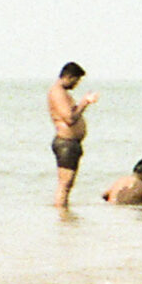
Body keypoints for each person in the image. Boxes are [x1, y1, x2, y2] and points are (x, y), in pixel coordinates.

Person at [49, 63, 97, 208]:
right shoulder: (57, 92)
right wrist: (84, 102)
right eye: (76, 80)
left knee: (68, 184)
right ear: (68, 77)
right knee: (65, 184)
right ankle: (62, 215)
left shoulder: (63, 94)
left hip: (71, 143)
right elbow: (69, 119)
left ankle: (64, 214)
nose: (77, 84)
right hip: (66, 143)